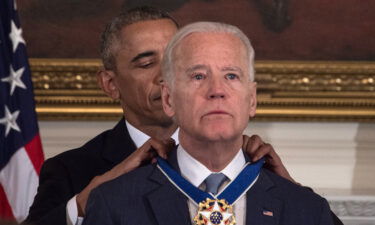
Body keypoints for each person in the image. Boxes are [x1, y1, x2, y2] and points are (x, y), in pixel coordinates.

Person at [24, 7, 294, 225]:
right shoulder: (72, 170)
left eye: (175, 62)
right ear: (110, 84)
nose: (164, 75)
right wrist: (85, 202)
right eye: (146, 63)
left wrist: (290, 187)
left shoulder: (250, 162)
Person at [82, 21, 336, 225]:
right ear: (169, 99)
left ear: (252, 99)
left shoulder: (307, 210)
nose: (217, 90)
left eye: (231, 75)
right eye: (198, 76)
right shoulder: (113, 204)